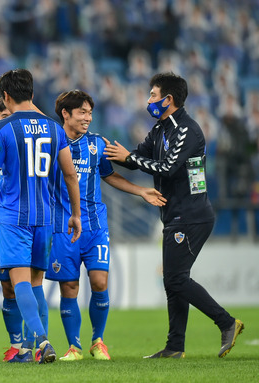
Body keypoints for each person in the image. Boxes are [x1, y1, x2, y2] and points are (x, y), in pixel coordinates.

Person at [103, 72, 244, 359]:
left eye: (153, 95)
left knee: (176, 278)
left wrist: (129, 158)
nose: (149, 100)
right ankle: (175, 346)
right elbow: (136, 158)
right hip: (175, 213)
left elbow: (166, 168)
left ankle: (227, 322)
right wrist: (104, 152)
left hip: (192, 214)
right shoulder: (160, 129)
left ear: (168, 99)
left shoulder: (187, 131)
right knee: (174, 279)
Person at [0, 69, 82, 364]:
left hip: (14, 217)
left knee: (20, 283)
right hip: (46, 217)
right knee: (37, 283)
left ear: (5, 96)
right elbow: (70, 174)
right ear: (32, 92)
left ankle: (39, 341)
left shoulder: (3, 129)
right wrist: (76, 214)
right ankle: (32, 347)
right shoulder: (55, 128)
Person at [46, 90, 166, 362]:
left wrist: (141, 191)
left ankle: (97, 341)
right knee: (69, 288)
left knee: (99, 282)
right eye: (82, 113)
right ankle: (73, 347)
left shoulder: (97, 144)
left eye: (90, 113)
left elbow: (109, 176)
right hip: (62, 226)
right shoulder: (51, 143)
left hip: (96, 224)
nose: (88, 118)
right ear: (66, 114)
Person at [0, 97, 24, 362]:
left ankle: (36, 341)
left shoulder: (27, 146)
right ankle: (16, 345)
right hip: (7, 224)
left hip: (33, 222)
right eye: (2, 116)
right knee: (7, 286)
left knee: (31, 283)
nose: (7, 121)